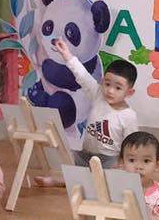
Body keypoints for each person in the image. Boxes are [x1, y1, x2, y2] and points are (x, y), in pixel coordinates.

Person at [54, 37, 138, 169]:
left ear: (129, 92)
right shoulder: (98, 94)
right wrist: (67, 54)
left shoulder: (129, 116)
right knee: (65, 156)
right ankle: (60, 178)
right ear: (102, 81)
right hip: (86, 154)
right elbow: (82, 75)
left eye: (118, 88)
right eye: (107, 84)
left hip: (110, 160)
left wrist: (124, 163)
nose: (110, 91)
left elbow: (131, 144)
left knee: (115, 169)